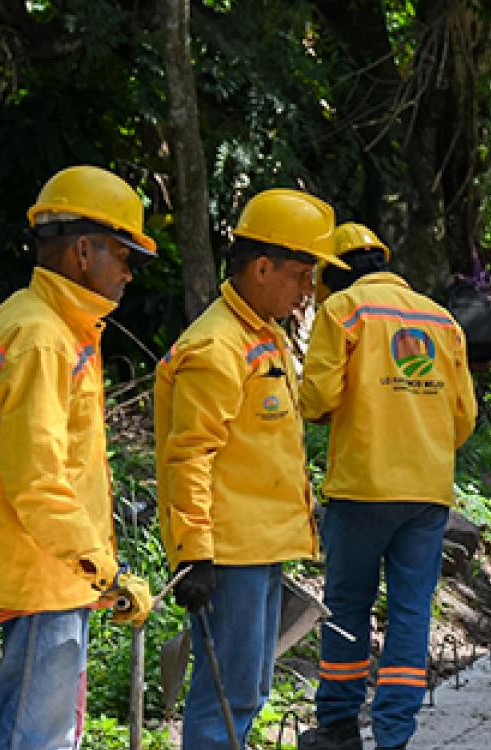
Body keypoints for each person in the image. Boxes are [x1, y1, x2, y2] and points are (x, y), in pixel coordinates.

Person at [0, 165, 155, 749]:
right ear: (84, 251)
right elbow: (38, 483)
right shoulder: (45, 338)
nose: (130, 273)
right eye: (123, 254)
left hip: (29, 559)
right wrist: (103, 572)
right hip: (46, 573)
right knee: (36, 738)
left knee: (30, 726)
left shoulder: (21, 315)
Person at [155, 188, 343, 749]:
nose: (309, 291)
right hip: (228, 554)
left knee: (248, 690)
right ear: (262, 267)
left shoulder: (263, 337)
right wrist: (195, 554)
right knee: (226, 695)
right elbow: (188, 454)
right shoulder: (216, 347)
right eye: (301, 275)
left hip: (257, 550)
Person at [295, 224, 476, 750]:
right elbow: (464, 417)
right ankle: (395, 735)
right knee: (411, 610)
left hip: (361, 486)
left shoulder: (343, 311)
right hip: (427, 491)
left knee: (347, 604)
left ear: (335, 271)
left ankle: (339, 725)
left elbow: (317, 398)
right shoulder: (439, 319)